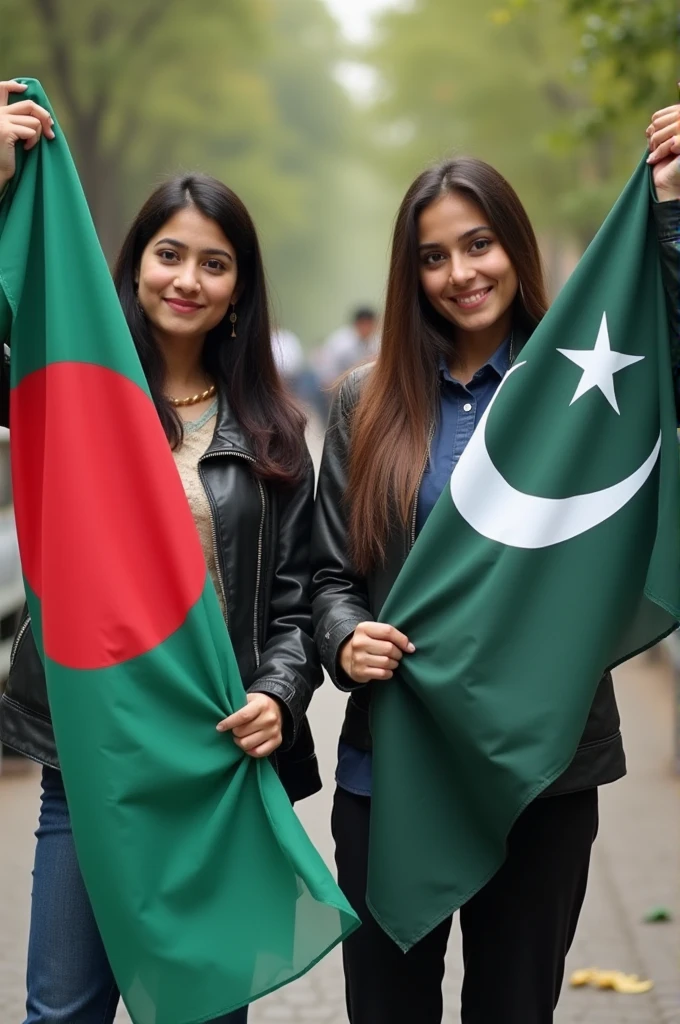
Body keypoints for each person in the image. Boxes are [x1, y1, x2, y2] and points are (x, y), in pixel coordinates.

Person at [310, 101, 680, 1024]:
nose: (459, 273)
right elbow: (322, 577)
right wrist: (344, 636)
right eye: (433, 256)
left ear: (516, 246)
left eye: (478, 245)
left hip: (543, 774)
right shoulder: (366, 402)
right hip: (394, 768)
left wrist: (670, 209)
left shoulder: (593, 389)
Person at [0, 80, 323, 1024]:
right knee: (62, 1013)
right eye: (168, 254)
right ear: (133, 266)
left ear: (238, 291)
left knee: (200, 1012)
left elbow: (299, 600)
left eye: (213, 264)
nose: (187, 278)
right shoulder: (74, 395)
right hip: (88, 759)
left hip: (215, 765)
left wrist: (281, 693)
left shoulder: (272, 434)